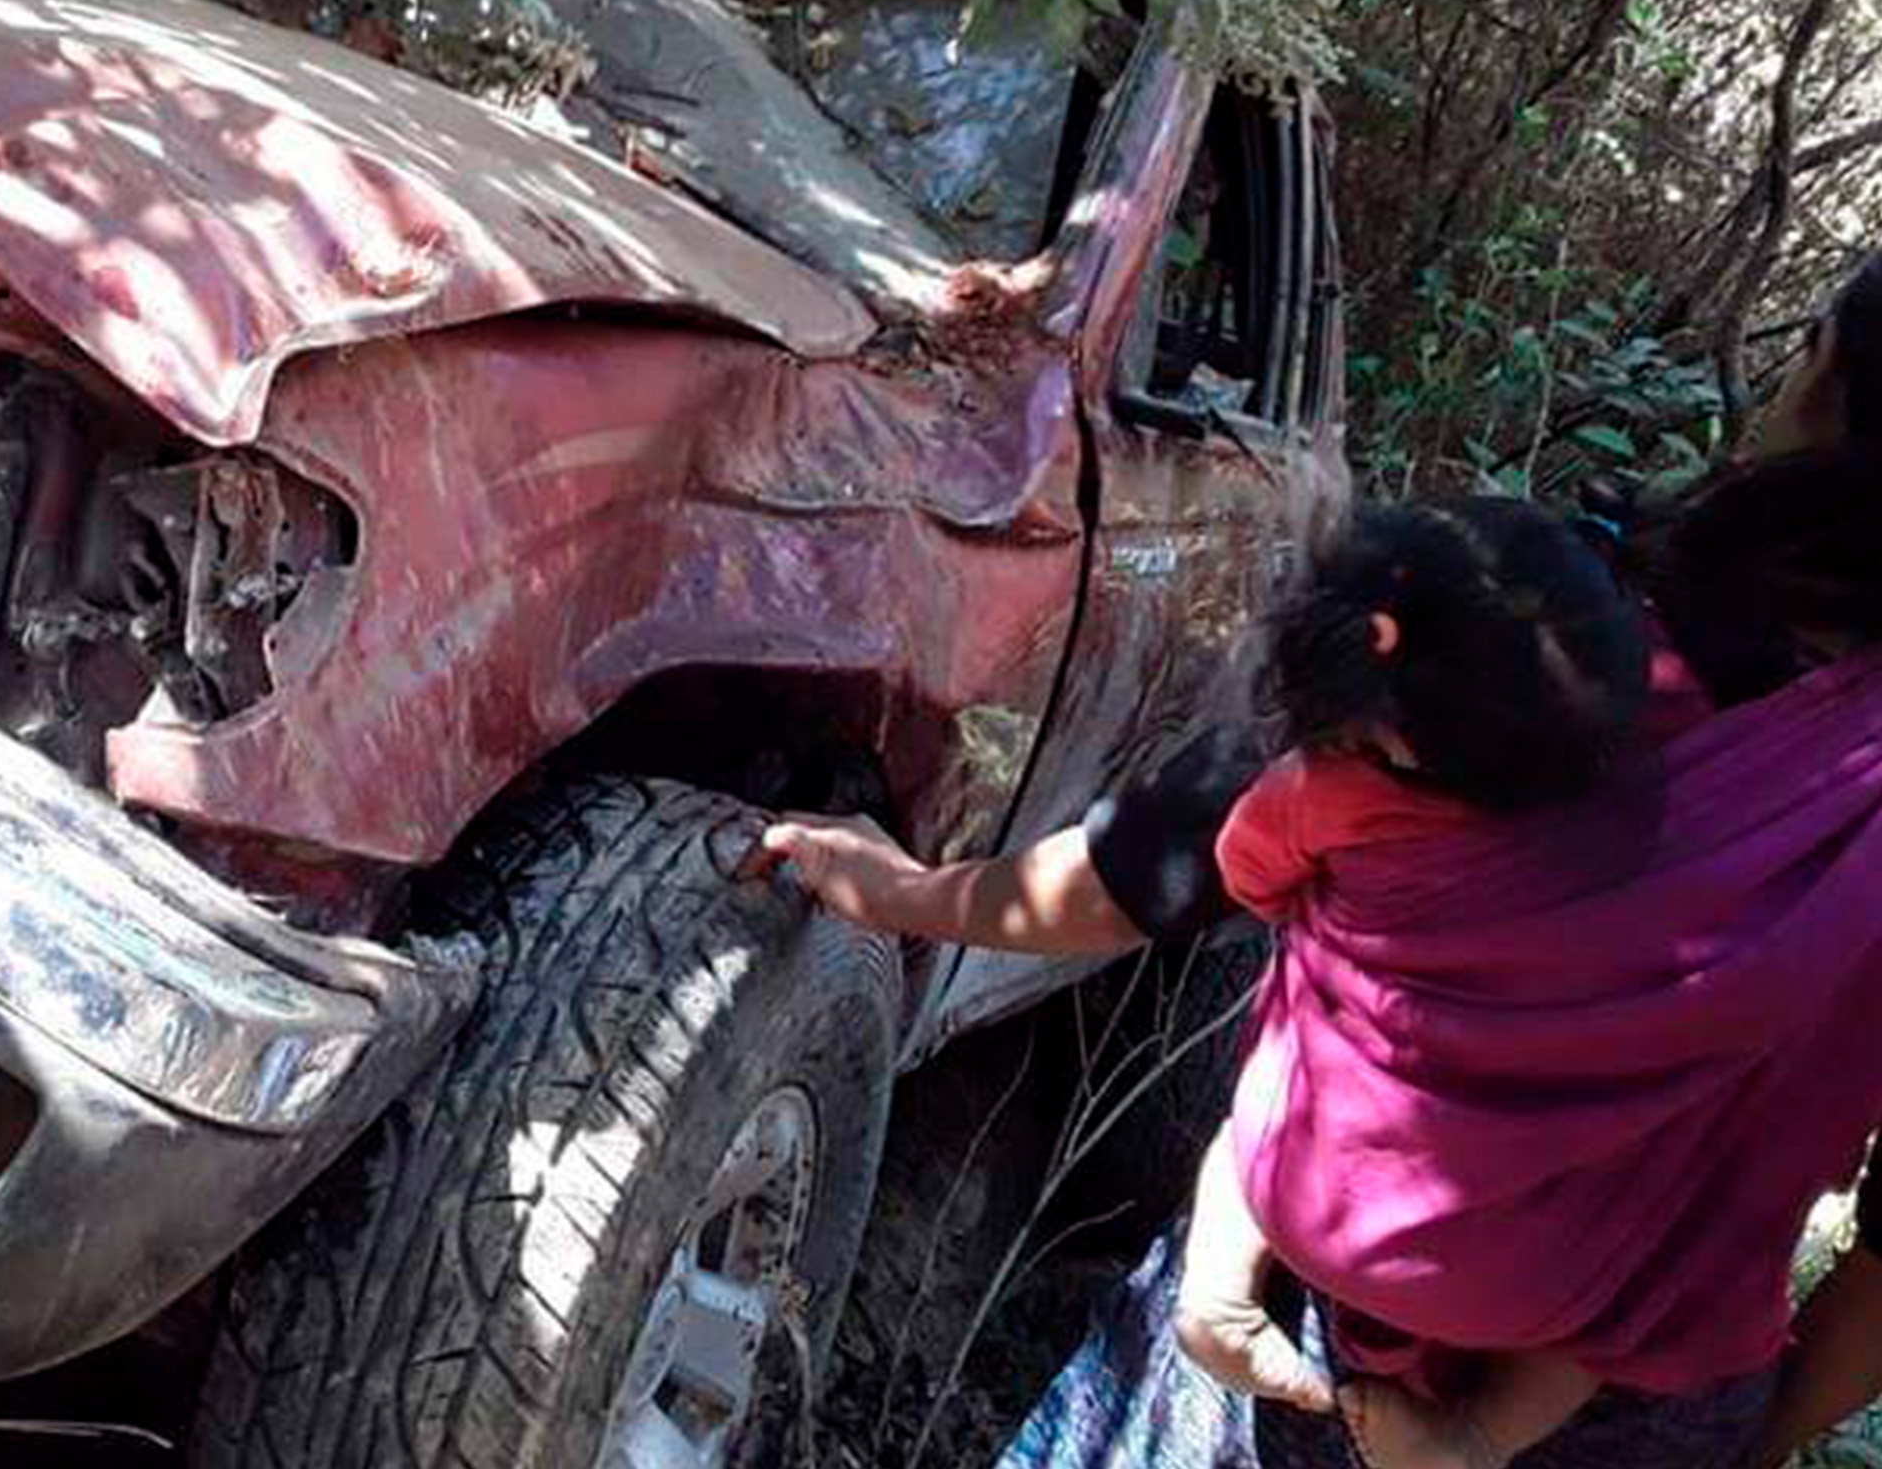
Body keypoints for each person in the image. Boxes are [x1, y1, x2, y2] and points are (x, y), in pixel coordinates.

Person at [753, 249, 1882, 1468]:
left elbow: (1150, 868)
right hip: (1647, 1394)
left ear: (1832, 395)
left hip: (1323, 1320)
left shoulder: (1546, 641)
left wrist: (905, 892)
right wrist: (1742, 1442)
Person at [1184, 497, 1655, 1469]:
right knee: (1630, 1282)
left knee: (1278, 1048)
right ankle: (1475, 1434)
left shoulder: (1322, 793)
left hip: (1323, 1211)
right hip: (1547, 1284)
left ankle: (1216, 1298)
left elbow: (1248, 877)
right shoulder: (1633, 833)